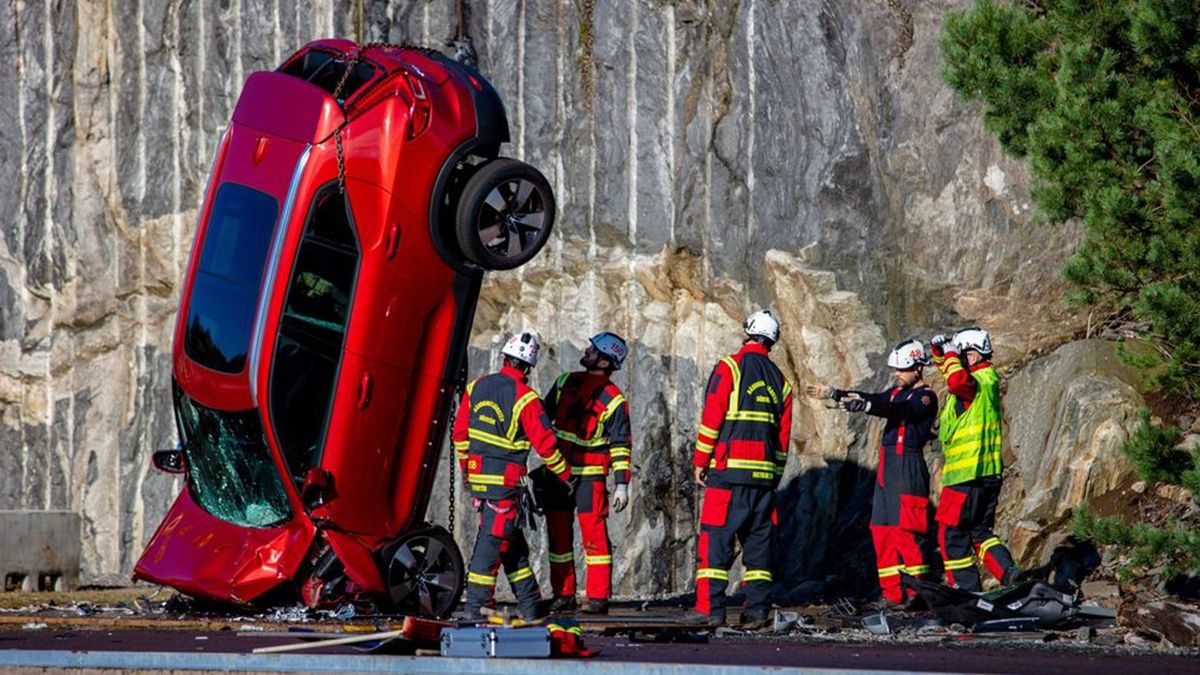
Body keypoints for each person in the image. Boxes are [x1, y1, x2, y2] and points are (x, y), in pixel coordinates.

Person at [681, 310, 793, 629]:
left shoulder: (731, 367)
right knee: (758, 549)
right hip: (764, 480)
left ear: (747, 332)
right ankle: (756, 611)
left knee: (715, 541)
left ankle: (709, 609)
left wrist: (700, 462)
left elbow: (713, 418)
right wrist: (773, 476)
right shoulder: (781, 382)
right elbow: (782, 440)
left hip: (728, 475)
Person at [451, 332, 574, 621]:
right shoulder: (527, 398)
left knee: (512, 550)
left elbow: (460, 435)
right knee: (487, 555)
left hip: (480, 485)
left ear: (503, 358)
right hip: (504, 489)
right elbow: (546, 446)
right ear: (528, 368)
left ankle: (532, 607)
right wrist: (566, 476)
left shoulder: (476, 387)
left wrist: (469, 472)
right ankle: (475, 614)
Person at [806, 338, 937, 606]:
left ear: (918, 368)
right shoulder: (895, 392)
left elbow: (900, 410)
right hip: (888, 470)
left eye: (902, 370)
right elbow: (875, 399)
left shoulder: (924, 397)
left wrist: (866, 406)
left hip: (907, 466)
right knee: (881, 529)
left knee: (906, 531)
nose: (897, 375)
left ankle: (917, 593)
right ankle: (891, 593)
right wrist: (835, 393)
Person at [543, 332, 633, 615]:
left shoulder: (615, 399)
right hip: (558, 473)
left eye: (593, 350)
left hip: (590, 478)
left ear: (605, 361)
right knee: (559, 539)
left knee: (594, 538)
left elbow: (620, 445)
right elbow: (541, 421)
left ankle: (597, 598)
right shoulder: (564, 381)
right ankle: (563, 594)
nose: (586, 350)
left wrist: (621, 484)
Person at [929, 326, 1019, 591]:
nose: (962, 359)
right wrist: (940, 352)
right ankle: (1010, 576)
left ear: (979, 354)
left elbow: (956, 380)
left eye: (965, 353)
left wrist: (948, 353)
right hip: (986, 476)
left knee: (951, 535)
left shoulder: (974, 382)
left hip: (966, 477)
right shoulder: (985, 379)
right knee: (980, 533)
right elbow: (951, 372)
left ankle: (966, 592)